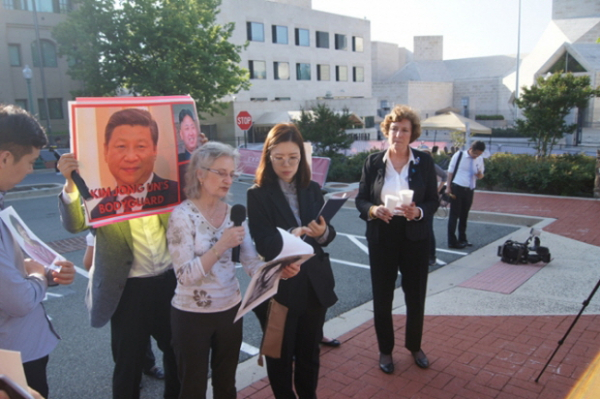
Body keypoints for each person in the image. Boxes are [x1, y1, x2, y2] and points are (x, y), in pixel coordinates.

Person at [167, 142, 298, 398]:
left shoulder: (234, 213)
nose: (228, 180)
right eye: (221, 173)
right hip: (191, 315)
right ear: (201, 174)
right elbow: (185, 275)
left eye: (232, 174)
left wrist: (276, 270)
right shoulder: (181, 215)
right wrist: (221, 245)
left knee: (226, 384)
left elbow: (250, 263)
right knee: (192, 387)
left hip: (230, 310)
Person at [58, 152, 180, 399]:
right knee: (128, 365)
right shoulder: (99, 190)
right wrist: (70, 184)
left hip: (169, 283)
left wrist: (192, 151)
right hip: (128, 290)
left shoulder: (166, 186)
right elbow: (74, 224)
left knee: (177, 354)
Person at [247, 123, 338, 399]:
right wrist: (292, 236)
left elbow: (327, 232)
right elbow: (263, 241)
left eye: (293, 157)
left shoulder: (312, 188)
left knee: (309, 355)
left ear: (302, 156)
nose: (286, 164)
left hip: (314, 286)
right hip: (281, 287)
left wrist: (324, 234)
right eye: (279, 157)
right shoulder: (258, 194)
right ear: (268, 156)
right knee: (280, 355)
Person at [355, 105, 439, 374]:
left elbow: (433, 201)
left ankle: (415, 346)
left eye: (404, 129)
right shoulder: (373, 162)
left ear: (412, 133)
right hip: (382, 234)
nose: (398, 134)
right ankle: (385, 350)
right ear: (387, 131)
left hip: (415, 236)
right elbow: (361, 199)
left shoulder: (423, 162)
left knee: (415, 295)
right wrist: (372, 209)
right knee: (382, 296)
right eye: (394, 128)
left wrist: (419, 212)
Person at [0, 104, 76, 398]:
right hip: (14, 355)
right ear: (5, 157)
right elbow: (18, 301)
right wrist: (39, 277)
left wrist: (44, 272)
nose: (31, 169)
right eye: (31, 162)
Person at [82, 233, 165, 381]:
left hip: (153, 286)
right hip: (124, 291)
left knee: (148, 331)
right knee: (128, 340)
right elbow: (88, 262)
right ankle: (134, 374)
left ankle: (148, 366)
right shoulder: (103, 227)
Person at [91, 108, 179, 219]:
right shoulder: (98, 212)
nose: (131, 157)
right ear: (106, 151)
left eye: (140, 146)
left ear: (154, 150)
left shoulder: (179, 195)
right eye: (121, 146)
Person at [446, 140, 486, 249]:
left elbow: (481, 174)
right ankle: (452, 241)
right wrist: (448, 187)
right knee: (454, 215)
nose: (476, 156)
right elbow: (450, 172)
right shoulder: (459, 155)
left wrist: (479, 175)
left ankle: (462, 238)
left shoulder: (479, 159)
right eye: (475, 153)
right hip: (457, 187)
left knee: (464, 215)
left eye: (479, 154)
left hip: (470, 188)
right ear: (471, 149)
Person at [417, 145, 448, 266]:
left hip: (428, 201)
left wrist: (437, 190)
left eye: (426, 153)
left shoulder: (432, 166)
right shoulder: (414, 166)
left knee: (428, 228)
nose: (424, 155)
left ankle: (431, 256)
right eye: (422, 153)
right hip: (416, 200)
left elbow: (445, 176)